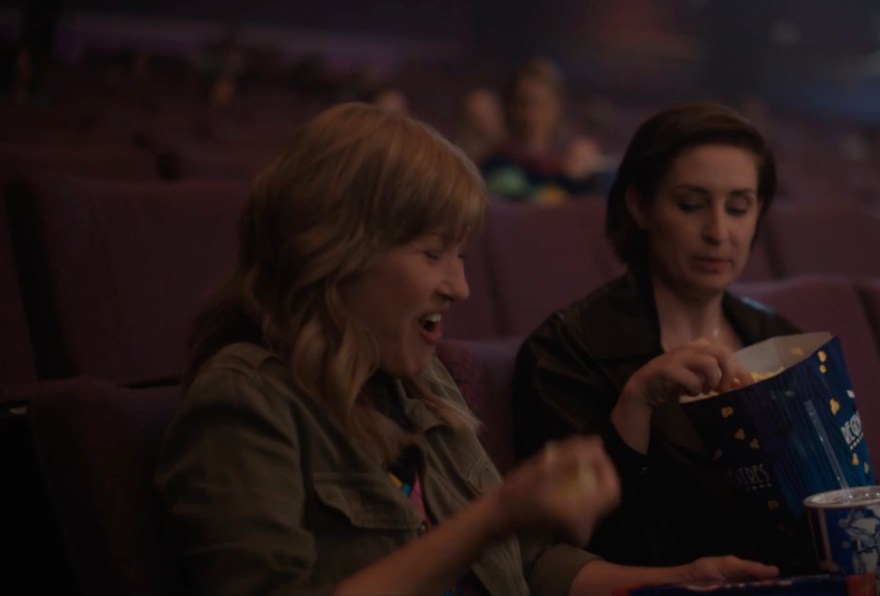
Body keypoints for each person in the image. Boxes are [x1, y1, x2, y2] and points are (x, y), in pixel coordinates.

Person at [154, 103, 779, 595]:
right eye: (432, 254)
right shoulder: (246, 402)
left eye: (460, 255)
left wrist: (676, 581)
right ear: (335, 255)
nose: (459, 286)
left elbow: (527, 564)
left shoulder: (420, 383)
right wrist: (493, 518)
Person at [512, 103, 814, 573]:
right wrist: (636, 403)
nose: (718, 232)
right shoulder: (567, 350)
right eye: (691, 205)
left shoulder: (780, 340)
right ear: (639, 206)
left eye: (739, 207)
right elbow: (571, 548)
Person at [479, 58, 602, 205]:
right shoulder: (497, 164)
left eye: (542, 105)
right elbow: (526, 212)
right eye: (523, 104)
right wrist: (569, 179)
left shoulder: (564, 160)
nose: (531, 116)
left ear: (558, 107)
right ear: (508, 107)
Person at [455, 87, 506, 164]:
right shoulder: (456, 157)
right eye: (474, 116)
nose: (480, 123)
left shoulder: (510, 158)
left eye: (487, 114)